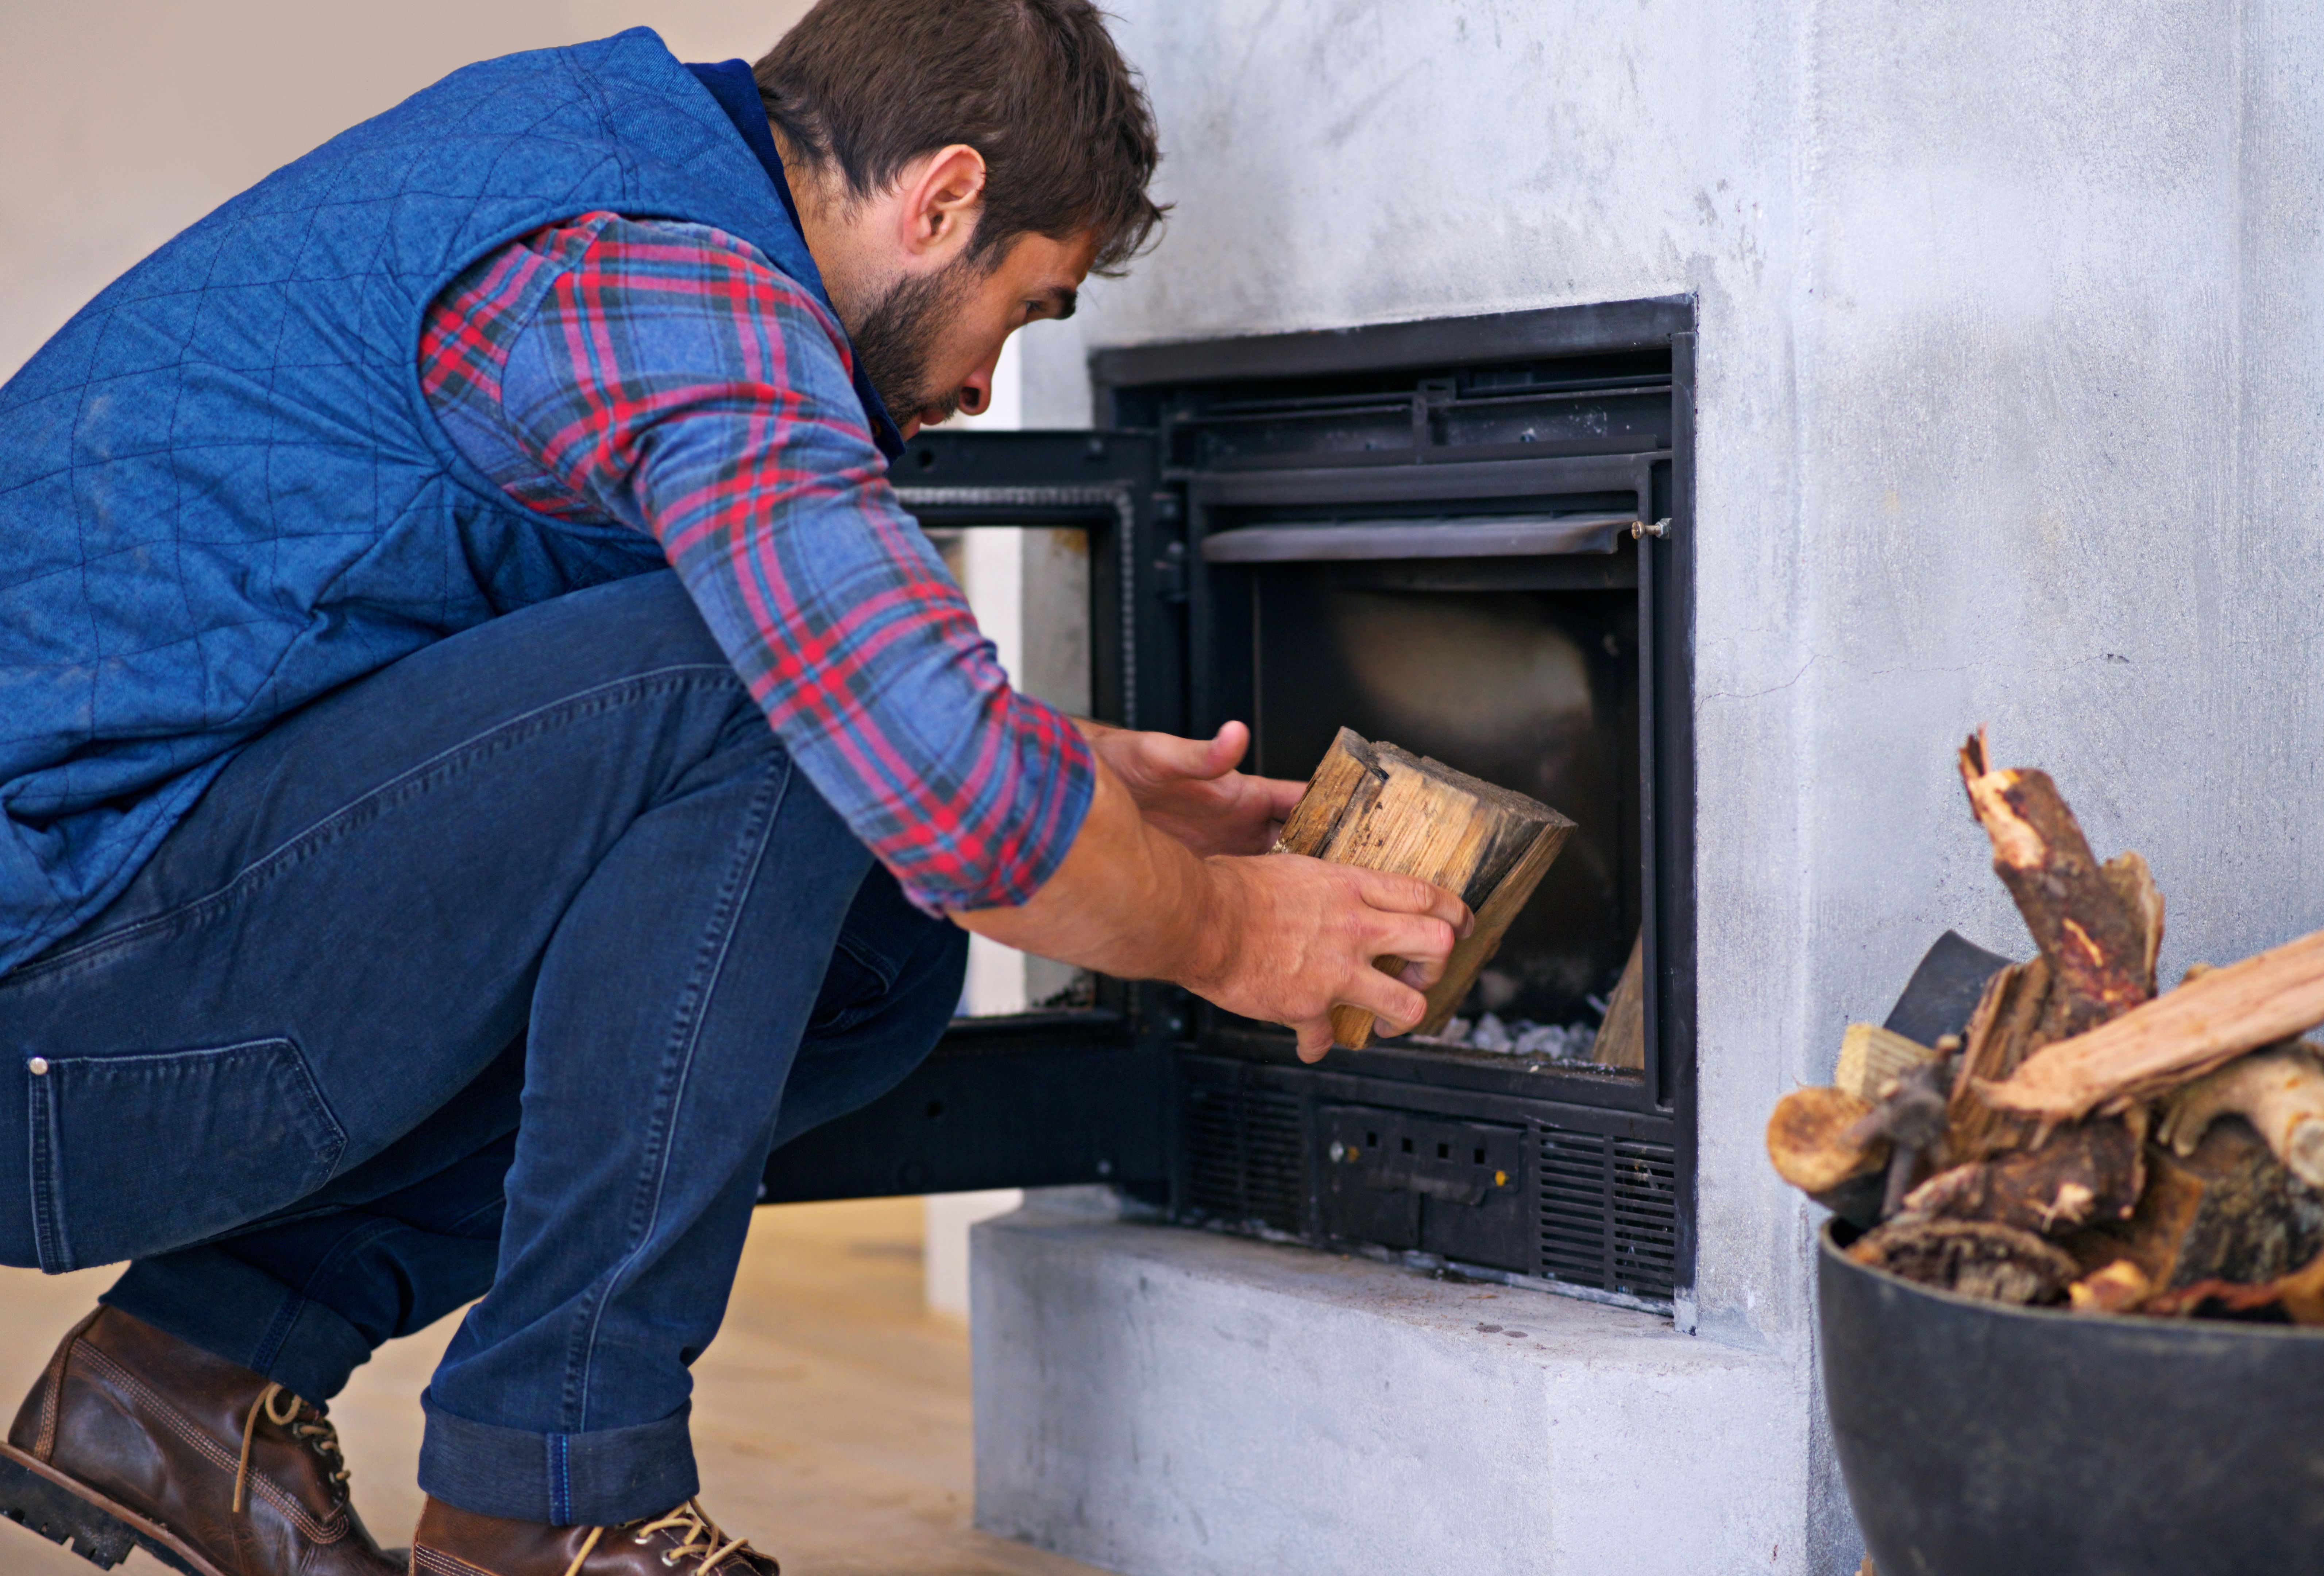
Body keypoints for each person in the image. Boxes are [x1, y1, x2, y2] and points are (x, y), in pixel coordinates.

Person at [0, 4, 1470, 1573]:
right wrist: (1233, 931)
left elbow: (583, 700)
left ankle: (191, 1373)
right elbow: (834, 712)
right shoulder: (665, 281)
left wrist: (1070, 776)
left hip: (116, 946)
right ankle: (554, 1491)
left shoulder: (610, 174)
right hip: (56, 1021)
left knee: (876, 955)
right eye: (1025, 309)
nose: (988, 385)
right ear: (943, 200)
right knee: (775, 700)